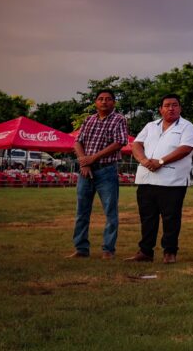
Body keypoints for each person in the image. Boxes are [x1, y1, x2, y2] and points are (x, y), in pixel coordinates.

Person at [127, 94, 193, 264]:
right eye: (167, 105)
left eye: (175, 105)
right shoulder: (151, 126)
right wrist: (144, 161)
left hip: (172, 181)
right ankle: (145, 252)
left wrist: (161, 161)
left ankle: (170, 252)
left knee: (171, 218)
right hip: (146, 179)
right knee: (147, 218)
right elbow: (136, 144)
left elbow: (186, 148)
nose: (171, 108)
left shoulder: (186, 127)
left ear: (180, 108)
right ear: (160, 109)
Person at [68, 89, 128, 259]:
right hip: (85, 172)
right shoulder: (89, 120)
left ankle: (108, 249)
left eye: (108, 99)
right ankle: (81, 249)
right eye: (100, 99)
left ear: (113, 103)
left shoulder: (119, 119)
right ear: (95, 102)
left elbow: (119, 142)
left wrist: (92, 158)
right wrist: (83, 162)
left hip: (106, 170)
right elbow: (77, 142)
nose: (104, 102)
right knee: (82, 211)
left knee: (110, 211)